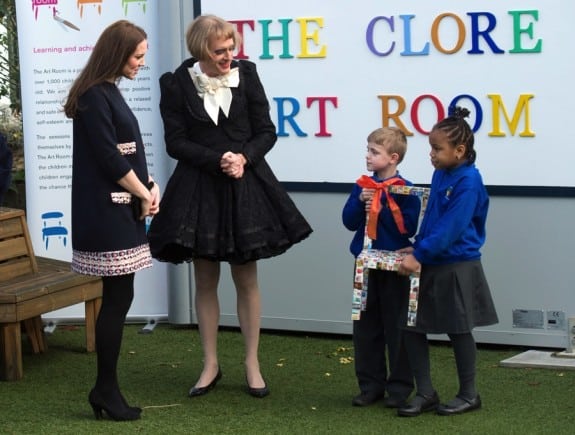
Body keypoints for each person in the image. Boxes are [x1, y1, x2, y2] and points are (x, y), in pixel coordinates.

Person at [147, 15, 312, 399]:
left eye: (230, 48)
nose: (228, 56)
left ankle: (252, 363)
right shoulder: (175, 84)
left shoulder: (248, 74)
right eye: (219, 51)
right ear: (202, 49)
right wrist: (217, 158)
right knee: (205, 279)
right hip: (199, 188)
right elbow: (175, 142)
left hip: (245, 183)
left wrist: (243, 158)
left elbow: (266, 130)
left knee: (246, 278)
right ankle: (210, 364)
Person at [63, 20, 160, 421]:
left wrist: (150, 186)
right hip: (107, 213)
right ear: (117, 53)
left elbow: (127, 152)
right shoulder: (93, 95)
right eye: (137, 56)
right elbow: (109, 157)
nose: (141, 63)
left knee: (120, 298)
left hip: (121, 208)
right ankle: (105, 389)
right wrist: (143, 192)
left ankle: (106, 388)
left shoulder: (105, 91)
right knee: (117, 300)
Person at [396, 106, 498, 417]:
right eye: (431, 147)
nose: (431, 154)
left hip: (457, 265)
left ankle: (469, 394)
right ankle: (425, 392)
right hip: (431, 260)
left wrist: (419, 255)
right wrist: (415, 247)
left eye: (437, 148)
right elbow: (433, 219)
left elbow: (452, 227)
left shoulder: (469, 181)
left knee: (459, 329)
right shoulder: (442, 172)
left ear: (460, 150)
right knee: (410, 325)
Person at [342, 127, 419, 408]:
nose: (368, 156)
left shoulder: (407, 190)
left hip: (396, 266)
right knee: (364, 324)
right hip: (365, 264)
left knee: (397, 326)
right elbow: (348, 222)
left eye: (374, 152)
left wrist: (382, 204)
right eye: (368, 150)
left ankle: (399, 388)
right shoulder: (361, 185)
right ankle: (370, 385)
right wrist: (361, 201)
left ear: (393, 158)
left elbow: (408, 228)